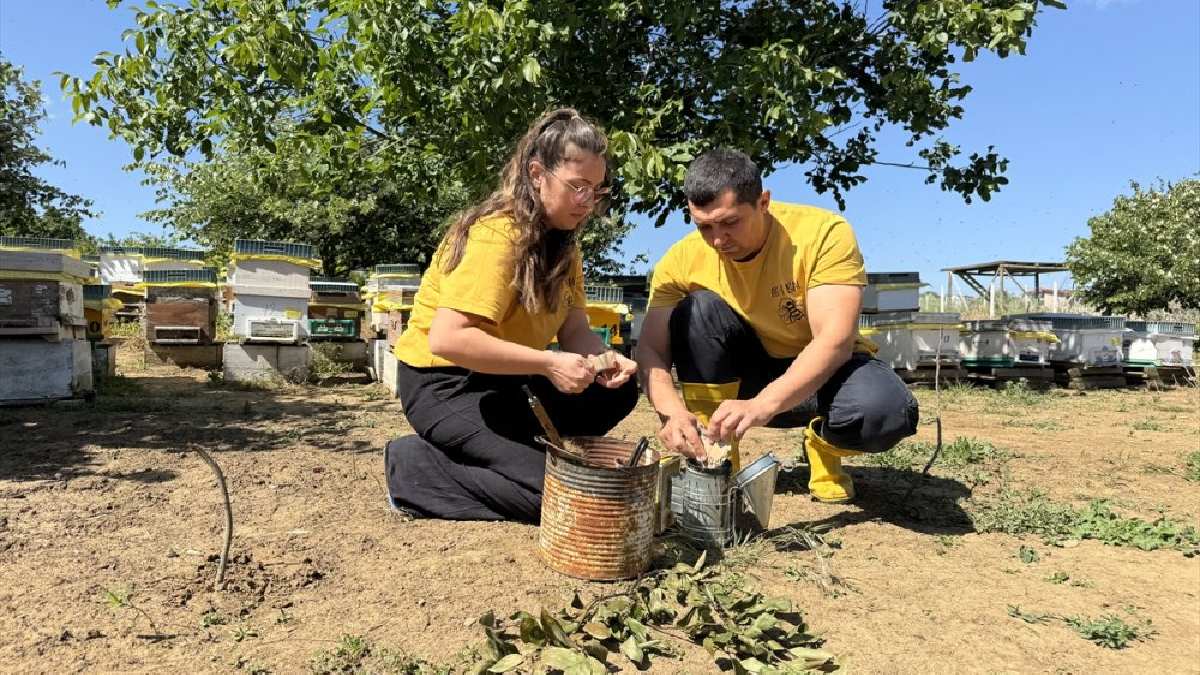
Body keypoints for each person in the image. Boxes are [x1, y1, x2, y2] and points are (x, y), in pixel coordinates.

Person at [386, 108, 639, 522]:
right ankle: (413, 467)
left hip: (505, 379)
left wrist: (606, 361)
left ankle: (513, 451)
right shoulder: (497, 236)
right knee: (558, 499)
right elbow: (449, 339)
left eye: (596, 189)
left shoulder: (564, 247)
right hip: (445, 382)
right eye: (577, 186)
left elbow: (575, 330)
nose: (587, 202)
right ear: (537, 174)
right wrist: (547, 362)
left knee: (620, 389)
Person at [635, 148, 919, 503]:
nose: (718, 240)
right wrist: (672, 413)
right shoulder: (681, 258)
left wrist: (761, 405)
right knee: (698, 308)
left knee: (885, 414)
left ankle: (824, 444)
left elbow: (834, 340)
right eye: (704, 227)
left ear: (763, 201)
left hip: (824, 376)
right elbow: (650, 350)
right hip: (750, 375)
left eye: (730, 222)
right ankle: (717, 460)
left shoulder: (823, 233)